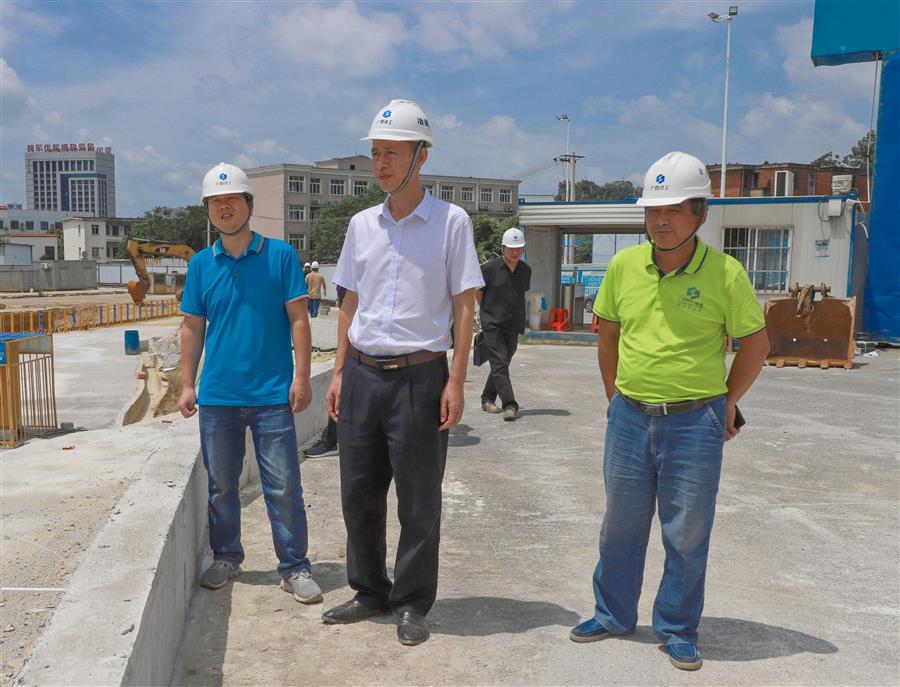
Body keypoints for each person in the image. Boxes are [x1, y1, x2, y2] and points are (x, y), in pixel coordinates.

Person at [570, 152, 770, 670]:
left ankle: (678, 628)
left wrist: (727, 403)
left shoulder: (725, 273)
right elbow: (608, 334)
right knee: (620, 524)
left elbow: (756, 343)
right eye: (653, 210)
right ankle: (613, 614)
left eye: (673, 210)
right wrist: (614, 397)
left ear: (699, 213)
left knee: (687, 531)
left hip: (695, 422)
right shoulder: (623, 267)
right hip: (630, 417)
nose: (660, 221)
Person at [321, 99, 484, 646]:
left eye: (392, 152)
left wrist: (456, 381)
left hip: (420, 377)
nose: (381, 163)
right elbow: (349, 303)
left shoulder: (451, 222)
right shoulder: (361, 225)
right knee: (358, 493)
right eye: (376, 153)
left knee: (418, 499)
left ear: (421, 156)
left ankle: (412, 602)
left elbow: (464, 305)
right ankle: (370, 590)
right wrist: (339, 372)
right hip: (362, 375)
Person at [178, 162, 322, 605]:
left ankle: (294, 566)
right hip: (218, 396)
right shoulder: (201, 265)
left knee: (283, 485)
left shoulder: (280, 256)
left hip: (272, 395)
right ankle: (226, 557)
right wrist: (187, 384)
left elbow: (299, 320)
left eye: (232, 200)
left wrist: (301, 377)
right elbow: (192, 327)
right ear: (208, 210)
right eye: (215, 202)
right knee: (221, 486)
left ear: (248, 204)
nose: (224, 208)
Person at [476, 227, 531, 421]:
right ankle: (510, 404)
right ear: (503, 248)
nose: (515, 252)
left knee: (502, 363)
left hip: (513, 323)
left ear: (523, 249)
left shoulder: (525, 270)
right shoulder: (489, 269)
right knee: (499, 362)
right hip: (492, 323)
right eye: (511, 248)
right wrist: (487, 312)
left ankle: (487, 398)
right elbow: (478, 292)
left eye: (519, 248)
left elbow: (520, 293)